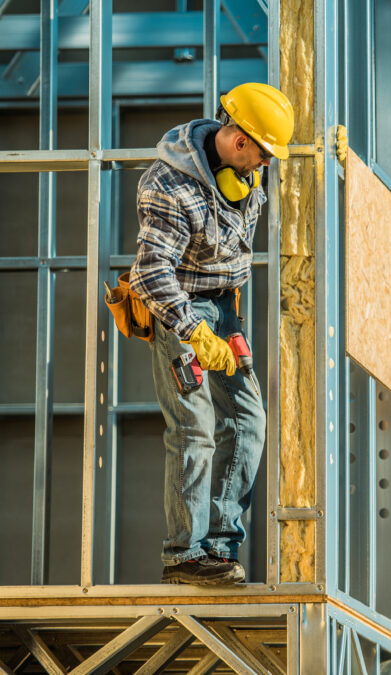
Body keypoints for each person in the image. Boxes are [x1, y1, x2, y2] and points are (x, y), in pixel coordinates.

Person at [129, 82, 294, 585]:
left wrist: (226, 325)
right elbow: (149, 272)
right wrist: (195, 332)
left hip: (226, 311)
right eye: (262, 154)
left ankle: (219, 548)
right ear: (239, 140)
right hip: (182, 312)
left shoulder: (244, 176)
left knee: (249, 421)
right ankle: (185, 555)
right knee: (194, 428)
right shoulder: (169, 184)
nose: (265, 166)